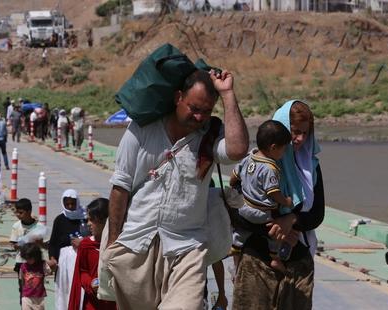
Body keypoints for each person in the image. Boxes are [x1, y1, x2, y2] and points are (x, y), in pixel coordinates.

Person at [101, 70, 248, 309]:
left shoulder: (209, 137)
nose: (199, 117)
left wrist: (228, 94)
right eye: (194, 108)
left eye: (207, 111)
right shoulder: (142, 129)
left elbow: (238, 149)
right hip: (137, 244)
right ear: (178, 97)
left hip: (187, 247)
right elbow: (120, 186)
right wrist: (113, 243)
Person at [232, 100, 325, 310]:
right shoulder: (255, 164)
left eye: (305, 133)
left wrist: (291, 220)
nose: (300, 139)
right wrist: (274, 230)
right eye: (294, 132)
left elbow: (317, 214)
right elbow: (236, 210)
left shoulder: (311, 168)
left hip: (299, 264)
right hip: (257, 261)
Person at [230, 120, 294, 271]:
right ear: (273, 148)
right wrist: (286, 201)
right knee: (275, 233)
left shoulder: (249, 157)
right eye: (283, 149)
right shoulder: (270, 168)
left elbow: (234, 177)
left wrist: (234, 187)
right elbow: (273, 192)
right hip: (261, 214)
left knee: (241, 233)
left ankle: (235, 250)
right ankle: (275, 258)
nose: (284, 153)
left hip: (243, 207)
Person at [68, 198, 117, 310]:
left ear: (104, 221)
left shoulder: (118, 245)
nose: (88, 224)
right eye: (88, 219)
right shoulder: (86, 245)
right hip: (92, 303)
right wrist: (90, 283)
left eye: (92, 220)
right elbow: (82, 272)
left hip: (114, 302)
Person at [10, 198, 47, 304]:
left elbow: (46, 246)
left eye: (21, 212)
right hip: (22, 262)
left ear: (29, 212)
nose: (18, 215)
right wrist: (20, 244)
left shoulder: (39, 227)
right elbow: (13, 244)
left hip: (37, 263)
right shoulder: (16, 226)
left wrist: (39, 243)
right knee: (23, 288)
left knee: (37, 288)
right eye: (17, 212)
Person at [19, 243, 51, 310]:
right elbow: (22, 280)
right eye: (26, 258)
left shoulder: (43, 265)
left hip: (39, 298)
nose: (28, 260)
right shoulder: (23, 267)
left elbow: (49, 271)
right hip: (26, 297)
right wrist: (22, 293)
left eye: (30, 258)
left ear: (36, 256)